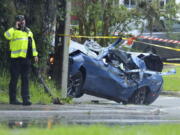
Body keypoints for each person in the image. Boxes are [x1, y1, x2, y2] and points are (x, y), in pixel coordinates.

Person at [4, 15, 38, 105]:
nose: (22, 22)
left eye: (23, 20)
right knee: (14, 79)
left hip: (26, 59)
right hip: (15, 59)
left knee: (25, 79)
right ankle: (13, 99)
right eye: (19, 21)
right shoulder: (13, 31)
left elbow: (32, 44)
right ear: (16, 22)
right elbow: (6, 36)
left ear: (25, 21)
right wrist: (14, 27)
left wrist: (35, 55)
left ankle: (26, 99)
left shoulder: (28, 31)